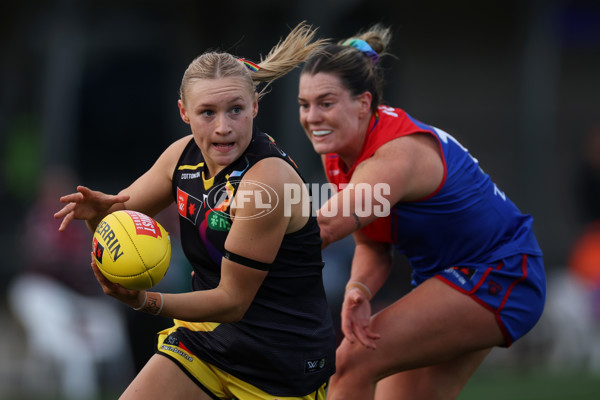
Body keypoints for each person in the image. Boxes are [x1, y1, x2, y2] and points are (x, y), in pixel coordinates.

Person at [54, 22, 336, 400]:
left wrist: (145, 302)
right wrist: (95, 216)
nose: (223, 128)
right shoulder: (181, 158)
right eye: (207, 112)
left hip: (278, 363)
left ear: (255, 106)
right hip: (205, 340)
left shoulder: (267, 183)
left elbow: (233, 301)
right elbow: (120, 229)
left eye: (235, 110)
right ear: (184, 112)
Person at [297, 25, 546, 399]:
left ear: (364, 103)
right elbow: (373, 244)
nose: (312, 116)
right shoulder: (339, 155)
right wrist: (359, 289)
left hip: (499, 274)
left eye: (325, 103)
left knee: (351, 361)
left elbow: (327, 226)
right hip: (452, 280)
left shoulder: (395, 155)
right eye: (304, 104)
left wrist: (239, 263)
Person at [8, 166, 133, 400]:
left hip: (75, 297)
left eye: (63, 192)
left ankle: (123, 387)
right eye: (53, 192)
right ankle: (41, 386)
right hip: (40, 289)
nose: (58, 196)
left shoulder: (82, 222)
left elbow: (87, 270)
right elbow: (50, 260)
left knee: (108, 331)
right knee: (65, 348)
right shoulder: (41, 219)